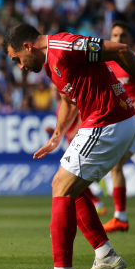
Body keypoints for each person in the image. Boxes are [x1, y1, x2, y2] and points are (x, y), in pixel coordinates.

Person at [2, 23, 135, 269]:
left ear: (27, 46)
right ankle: (105, 254)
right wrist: (58, 134)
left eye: (17, 60)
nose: (20, 67)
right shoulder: (48, 63)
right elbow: (68, 100)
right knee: (71, 188)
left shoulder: (65, 46)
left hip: (108, 121)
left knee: (61, 186)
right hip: (106, 122)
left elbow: (121, 50)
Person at [103, 21, 135, 233]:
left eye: (123, 35)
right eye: (115, 35)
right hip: (125, 123)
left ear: (130, 39)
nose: (119, 39)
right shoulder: (106, 65)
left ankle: (120, 216)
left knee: (115, 164)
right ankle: (120, 217)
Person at [47, 82, 108, 215]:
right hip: (72, 144)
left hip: (79, 143)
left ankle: (95, 197)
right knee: (70, 180)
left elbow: (81, 116)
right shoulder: (59, 107)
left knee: (67, 178)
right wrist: (52, 131)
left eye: (54, 89)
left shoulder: (68, 103)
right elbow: (66, 129)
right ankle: (96, 196)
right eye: (51, 90)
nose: (53, 92)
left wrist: (75, 131)